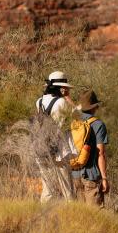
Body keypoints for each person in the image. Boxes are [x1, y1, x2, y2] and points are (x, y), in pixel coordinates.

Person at [34, 71, 75, 203]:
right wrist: (67, 97)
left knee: (48, 189)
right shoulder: (62, 103)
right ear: (61, 88)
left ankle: (43, 219)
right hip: (59, 151)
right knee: (67, 190)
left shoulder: (39, 101)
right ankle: (73, 218)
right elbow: (77, 117)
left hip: (41, 149)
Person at [71, 89, 109, 207]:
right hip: (91, 176)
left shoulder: (74, 122)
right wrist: (104, 178)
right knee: (95, 215)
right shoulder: (98, 125)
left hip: (75, 174)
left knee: (80, 216)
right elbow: (100, 153)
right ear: (95, 107)